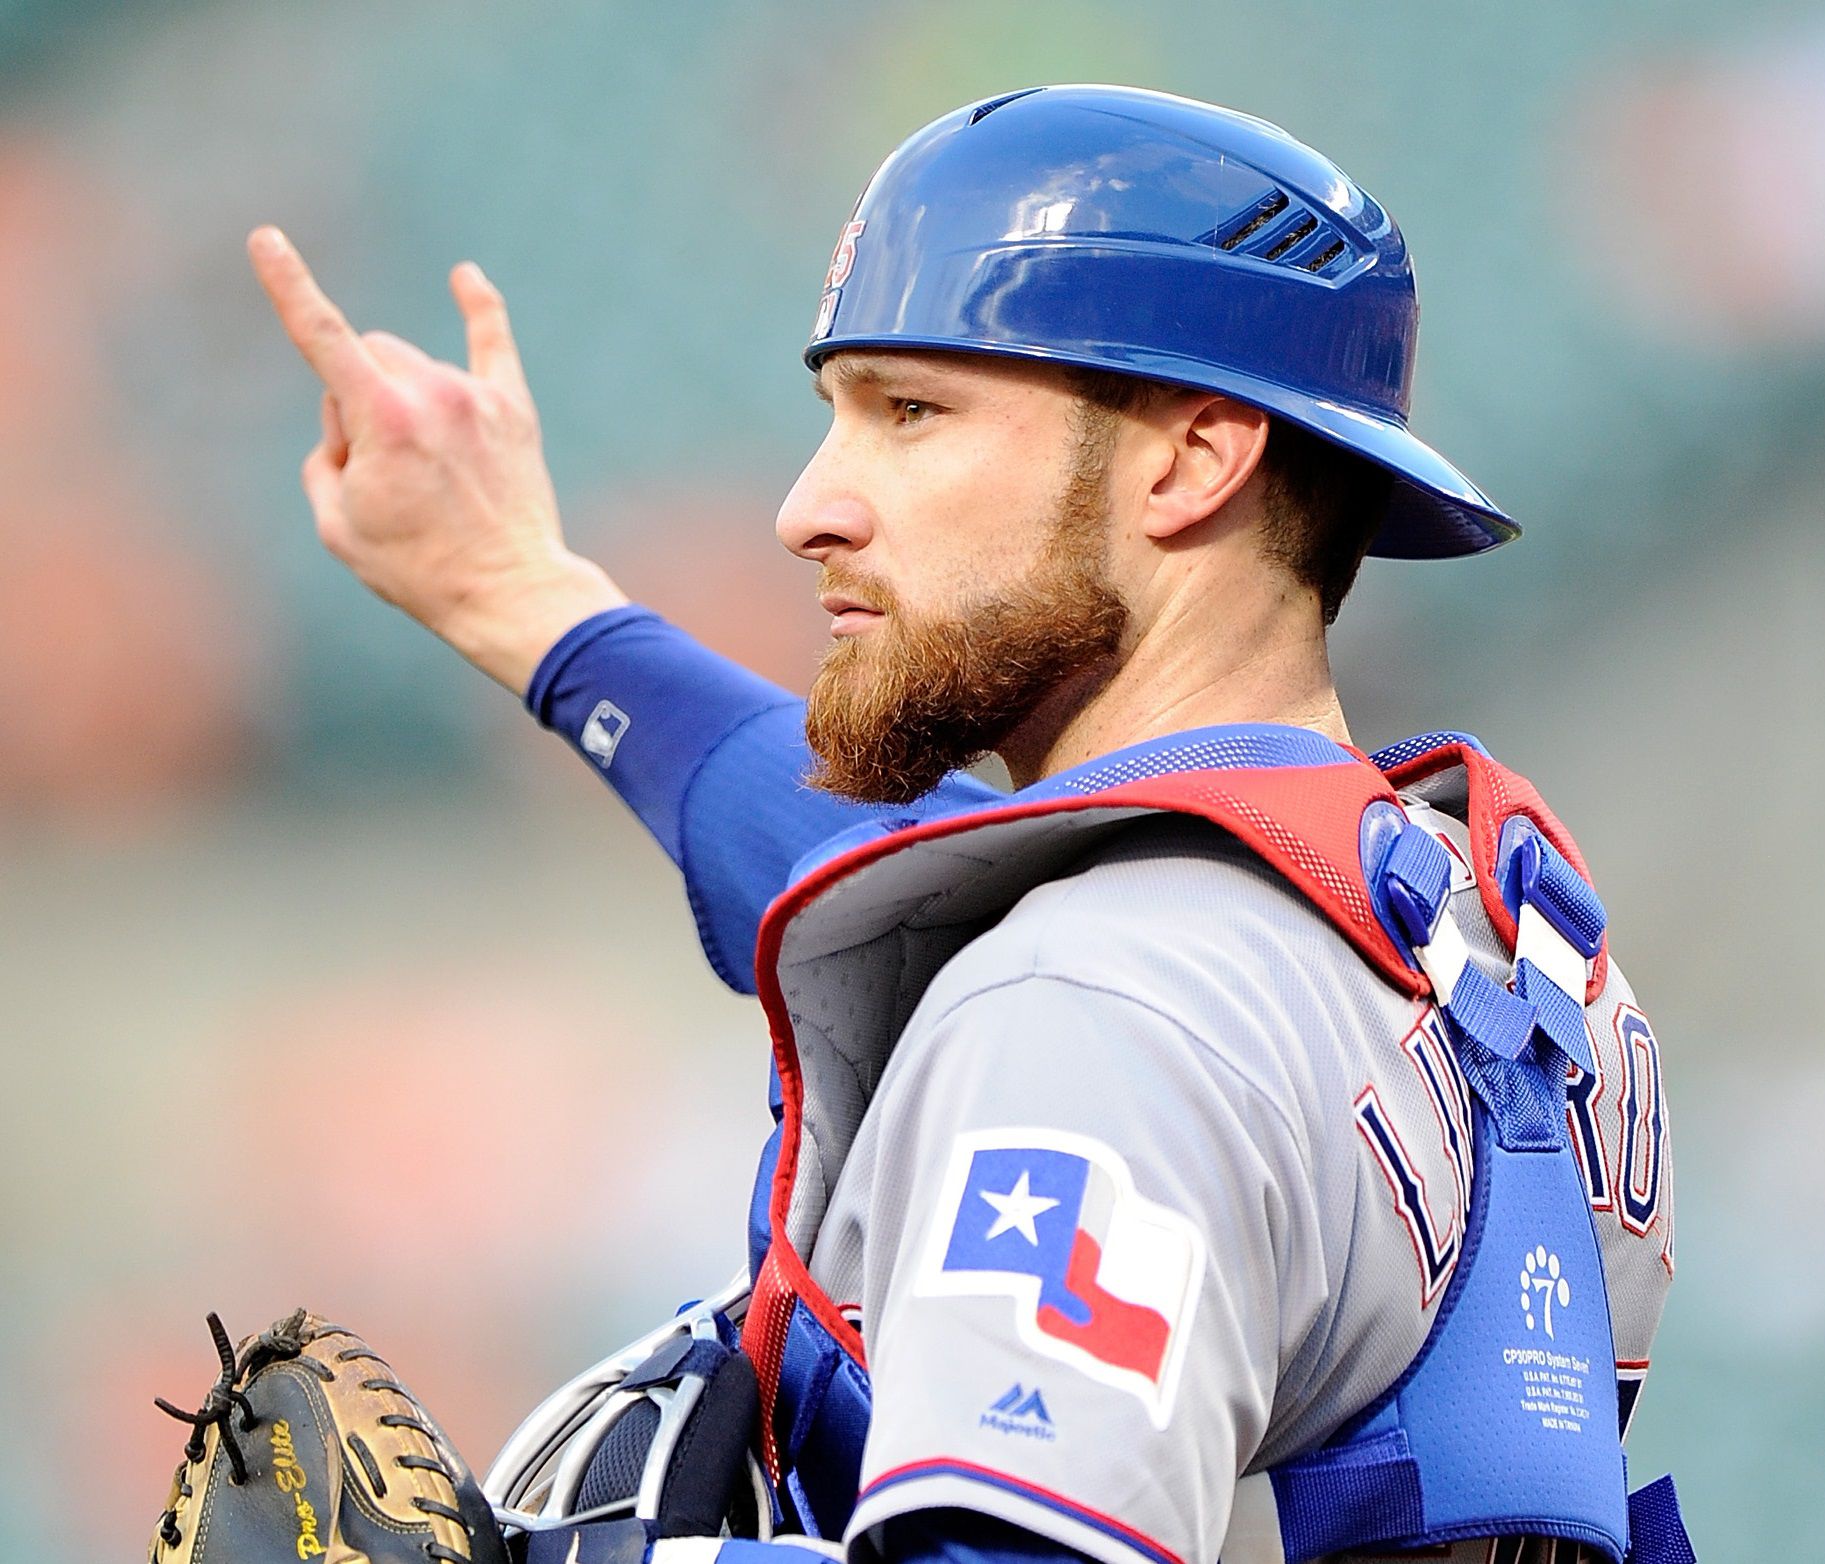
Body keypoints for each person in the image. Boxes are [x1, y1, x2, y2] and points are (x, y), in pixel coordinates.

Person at [251, 85, 1687, 1564]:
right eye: (838, 413)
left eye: (913, 410)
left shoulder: (1091, 1009)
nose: (811, 503)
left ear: (1192, 459)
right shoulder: (1487, 949)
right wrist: (517, 594)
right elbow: (871, 869)